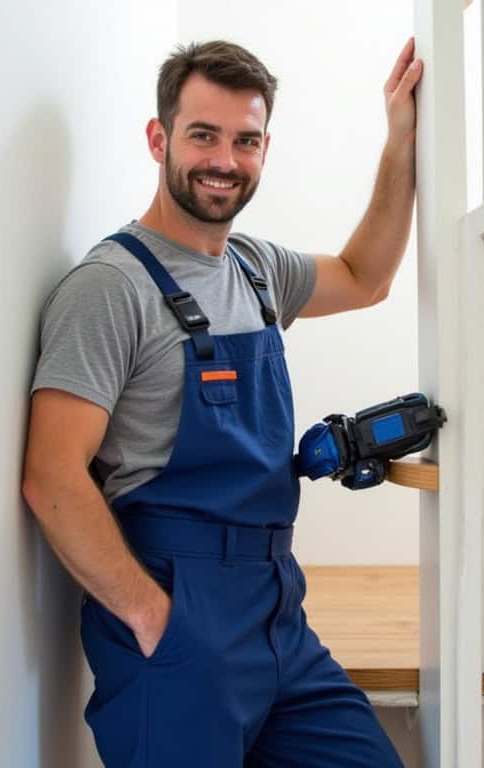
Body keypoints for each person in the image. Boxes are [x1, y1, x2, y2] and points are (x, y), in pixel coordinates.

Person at [22, 38, 421, 767]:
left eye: (245, 141)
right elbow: (51, 476)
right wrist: (154, 620)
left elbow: (367, 276)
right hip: (178, 613)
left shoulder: (257, 269)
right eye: (203, 135)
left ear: (265, 148)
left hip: (276, 614)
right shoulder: (111, 287)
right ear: (159, 138)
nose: (224, 161)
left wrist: (400, 138)